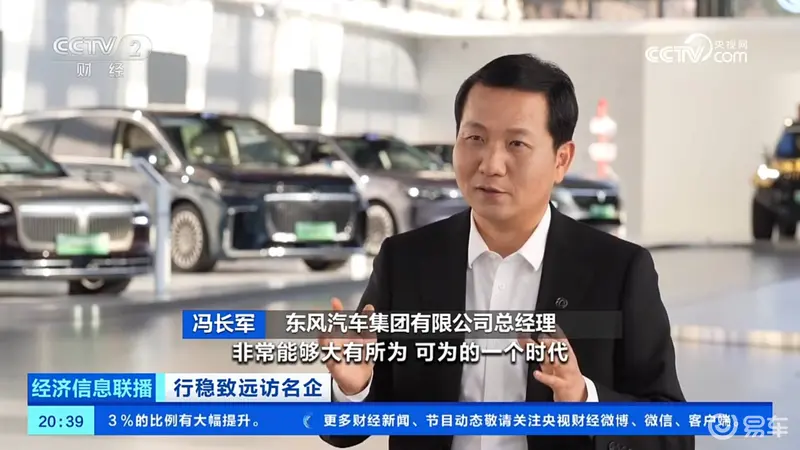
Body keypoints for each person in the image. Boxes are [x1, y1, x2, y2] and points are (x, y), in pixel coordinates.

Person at [320, 53, 693, 450]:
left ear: (561, 160)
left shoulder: (619, 271)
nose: (491, 164)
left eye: (516, 143)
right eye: (475, 138)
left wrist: (583, 400)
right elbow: (346, 429)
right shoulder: (406, 260)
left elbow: (673, 436)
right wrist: (353, 388)